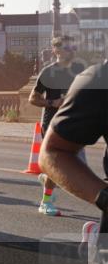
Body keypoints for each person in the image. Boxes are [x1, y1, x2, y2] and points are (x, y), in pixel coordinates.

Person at [30, 36, 88, 216]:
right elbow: (33, 98)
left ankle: (46, 175)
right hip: (53, 124)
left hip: (75, 122)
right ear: (55, 50)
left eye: (72, 47)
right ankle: (45, 202)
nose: (70, 51)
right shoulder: (48, 72)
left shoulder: (79, 69)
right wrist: (53, 102)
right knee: (58, 165)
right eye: (65, 48)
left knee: (76, 168)